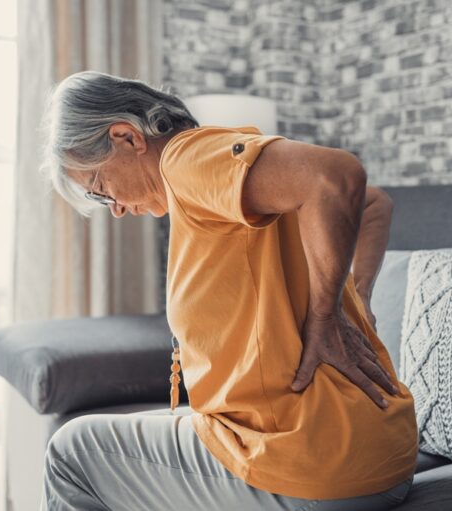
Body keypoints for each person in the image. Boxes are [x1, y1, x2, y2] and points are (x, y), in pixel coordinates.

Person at [36, 70, 418, 510]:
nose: (117, 210)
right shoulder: (232, 178)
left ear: (126, 137)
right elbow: (374, 205)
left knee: (71, 452)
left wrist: (327, 316)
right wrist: (359, 300)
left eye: (101, 189)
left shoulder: (187, 160)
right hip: (380, 454)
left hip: (314, 467)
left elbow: (338, 175)